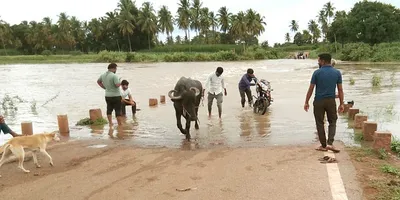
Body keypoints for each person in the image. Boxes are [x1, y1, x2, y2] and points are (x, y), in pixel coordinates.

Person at [304, 53, 344, 153]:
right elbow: (340, 90)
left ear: (322, 61)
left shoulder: (317, 73)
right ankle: (330, 143)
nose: (318, 62)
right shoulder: (337, 73)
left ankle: (323, 145)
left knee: (320, 123)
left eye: (319, 60)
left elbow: (311, 89)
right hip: (331, 101)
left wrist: (306, 101)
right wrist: (341, 103)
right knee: (332, 122)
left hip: (318, 101)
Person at [97, 63, 123, 128]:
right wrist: (120, 83)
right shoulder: (114, 76)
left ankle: (110, 123)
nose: (116, 70)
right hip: (116, 95)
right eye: (116, 68)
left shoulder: (103, 75)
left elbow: (98, 81)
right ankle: (120, 124)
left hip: (107, 95)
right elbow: (117, 85)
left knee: (109, 109)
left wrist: (104, 87)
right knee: (118, 110)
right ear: (113, 68)